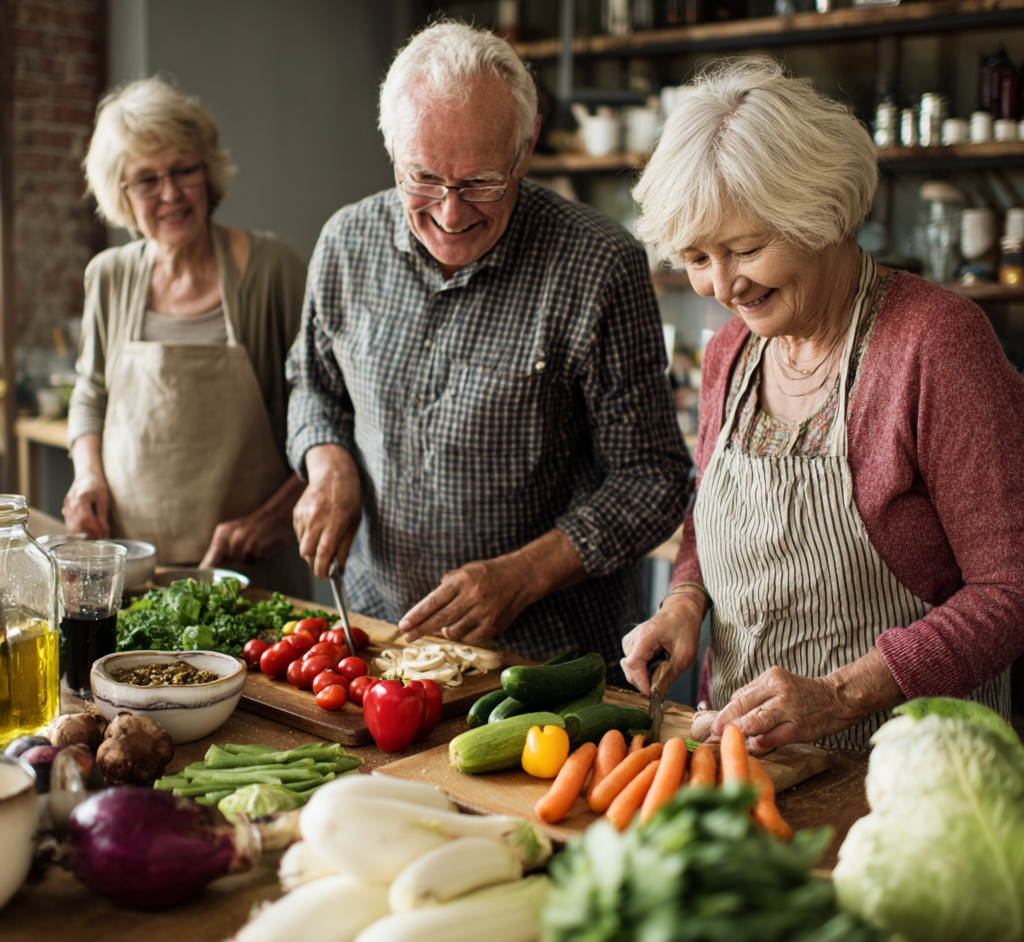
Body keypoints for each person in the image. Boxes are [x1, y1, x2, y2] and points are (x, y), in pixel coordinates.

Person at [622, 57, 1024, 751]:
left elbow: (1009, 590)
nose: (722, 286)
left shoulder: (935, 343)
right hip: (752, 767)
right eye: (695, 257)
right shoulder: (730, 353)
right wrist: (686, 599)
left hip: (913, 775)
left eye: (746, 249)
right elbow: (709, 520)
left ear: (825, 214)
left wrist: (840, 697)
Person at [286, 22, 692, 678]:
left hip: (540, 667)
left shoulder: (598, 266)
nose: (450, 214)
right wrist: (328, 463)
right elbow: (313, 385)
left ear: (525, 148)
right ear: (393, 152)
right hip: (372, 634)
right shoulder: (344, 244)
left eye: (479, 183)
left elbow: (653, 480)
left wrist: (524, 575)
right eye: (423, 179)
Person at [65, 78, 311, 595]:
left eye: (183, 170)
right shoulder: (108, 275)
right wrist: (87, 478)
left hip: (249, 572)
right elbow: (91, 394)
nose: (171, 193)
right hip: (133, 570)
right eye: (147, 180)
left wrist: (274, 516)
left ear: (208, 172)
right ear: (122, 195)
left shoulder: (270, 269)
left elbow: (324, 411)